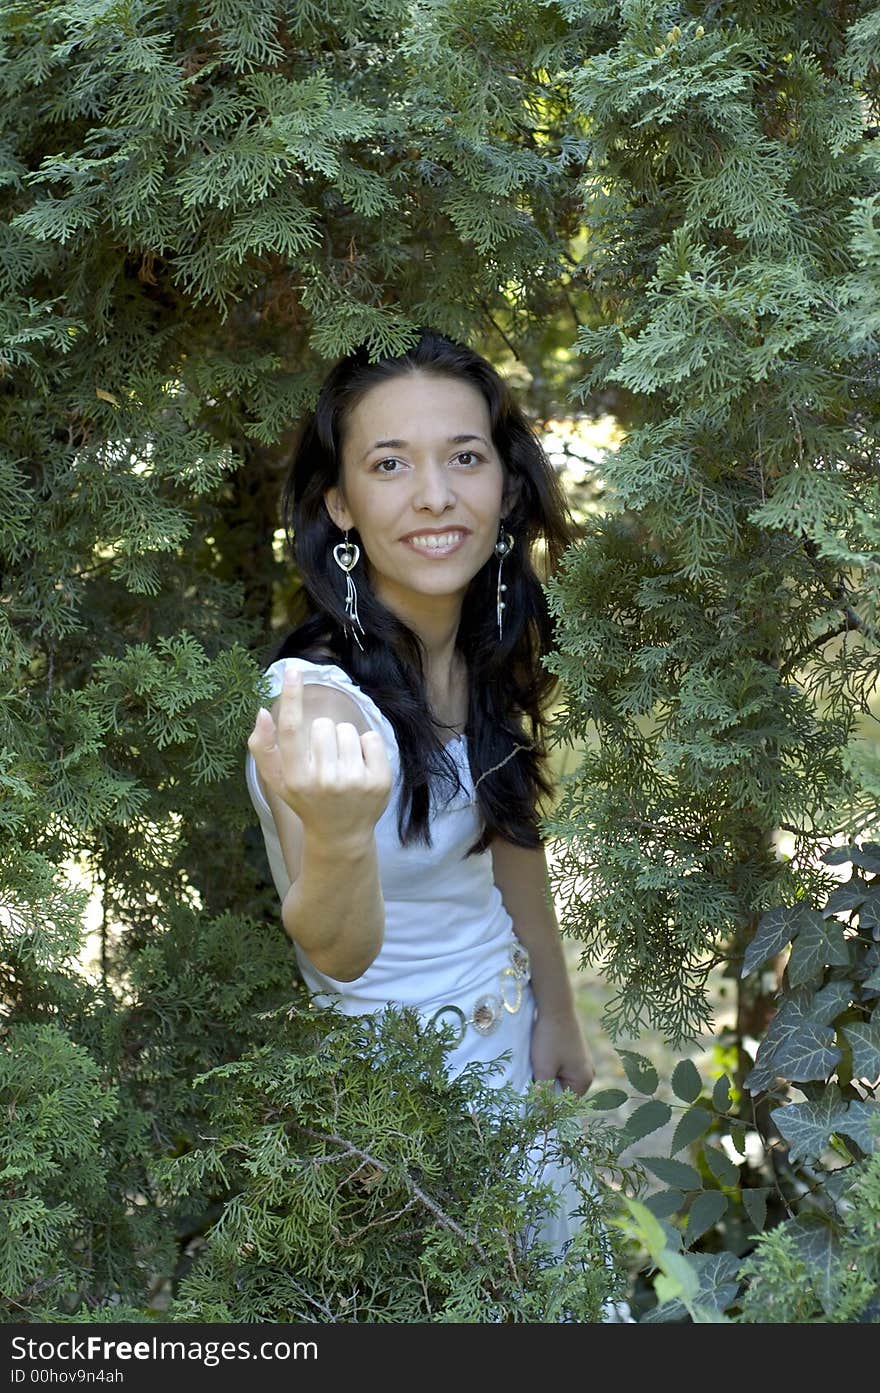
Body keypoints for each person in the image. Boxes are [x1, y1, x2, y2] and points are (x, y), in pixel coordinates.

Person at [244, 328, 632, 1320]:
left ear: (505, 485)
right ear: (340, 503)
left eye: (463, 456)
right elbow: (337, 952)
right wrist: (335, 836)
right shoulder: (314, 703)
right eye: (389, 464)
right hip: (408, 1111)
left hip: (513, 1059)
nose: (433, 494)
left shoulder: (482, 634)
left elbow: (506, 837)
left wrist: (555, 1008)